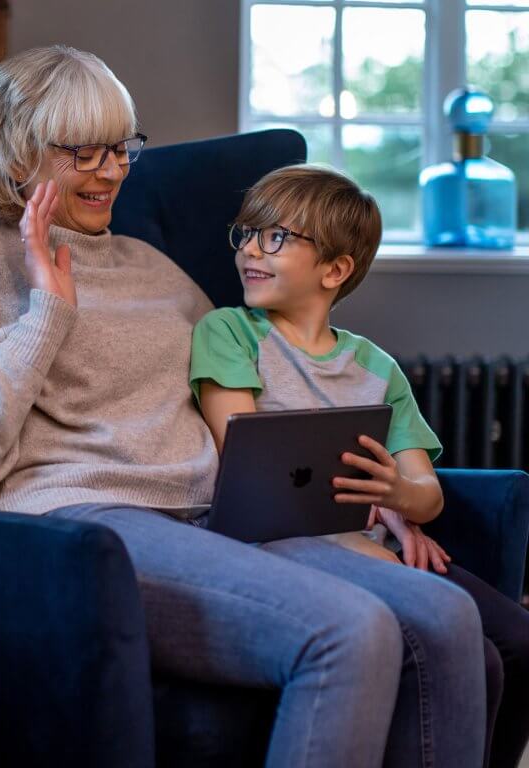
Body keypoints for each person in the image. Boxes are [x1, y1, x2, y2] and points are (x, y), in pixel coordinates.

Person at [0, 45, 487, 767]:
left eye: (121, 148)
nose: (112, 171)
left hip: (221, 519)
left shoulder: (154, 268)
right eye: (85, 152)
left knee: (450, 618)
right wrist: (47, 312)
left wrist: (359, 482)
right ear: (20, 158)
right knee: (349, 631)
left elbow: (259, 383)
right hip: (92, 526)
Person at [189, 163, 529, 768]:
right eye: (245, 233)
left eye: (275, 237)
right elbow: (246, 459)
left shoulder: (377, 369)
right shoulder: (229, 333)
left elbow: (428, 494)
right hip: (285, 548)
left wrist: (399, 497)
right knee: (470, 656)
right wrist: (366, 539)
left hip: (377, 545)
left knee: (517, 641)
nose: (249, 252)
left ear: (335, 269)